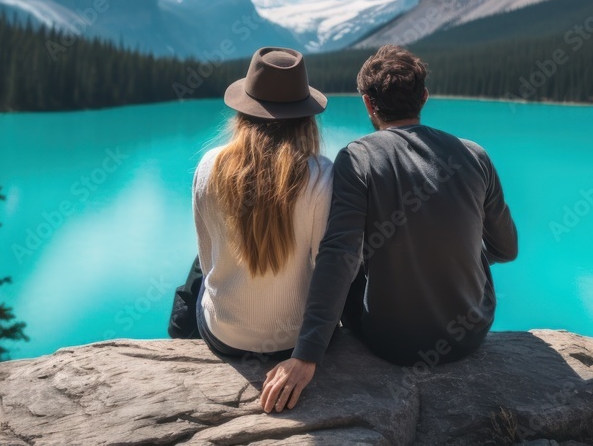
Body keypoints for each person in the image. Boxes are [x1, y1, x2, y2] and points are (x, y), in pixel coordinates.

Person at [259, 45, 518, 412]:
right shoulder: (475, 155)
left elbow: (340, 255)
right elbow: (507, 249)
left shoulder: (358, 157)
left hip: (391, 344)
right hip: (468, 336)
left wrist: (306, 354)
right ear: (424, 98)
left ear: (368, 103)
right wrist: (452, 253)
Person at [168, 47, 333, 359]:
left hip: (224, 335)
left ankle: (179, 330)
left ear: (244, 111)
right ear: (306, 117)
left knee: (200, 266)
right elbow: (330, 267)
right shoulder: (322, 174)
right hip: (294, 340)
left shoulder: (209, 165)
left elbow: (207, 261)